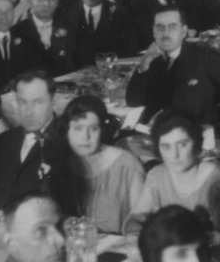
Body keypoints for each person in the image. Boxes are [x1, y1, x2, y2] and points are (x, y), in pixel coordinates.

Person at [125, 6, 220, 149]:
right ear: (153, 32)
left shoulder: (203, 57)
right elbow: (133, 102)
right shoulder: (153, 61)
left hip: (197, 140)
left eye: (172, 27)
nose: (166, 33)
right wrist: (144, 63)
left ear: (184, 31)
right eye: (160, 27)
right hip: (158, 139)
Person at [129, 110, 220, 245]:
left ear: (197, 143)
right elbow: (135, 219)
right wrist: (136, 230)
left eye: (182, 144)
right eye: (166, 147)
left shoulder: (218, 180)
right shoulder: (156, 175)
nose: (174, 155)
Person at [47, 94, 147, 234]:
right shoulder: (61, 167)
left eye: (93, 128)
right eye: (77, 128)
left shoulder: (127, 164)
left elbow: (142, 222)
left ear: (103, 130)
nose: (85, 136)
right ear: (66, 131)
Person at [0, 71, 59, 214]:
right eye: (22, 102)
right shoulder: (6, 140)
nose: (29, 112)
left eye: (38, 102)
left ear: (53, 102)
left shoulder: (68, 143)